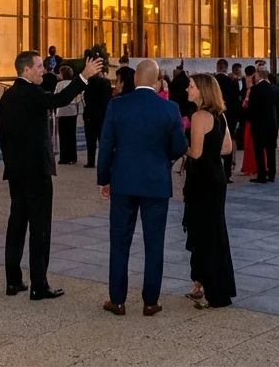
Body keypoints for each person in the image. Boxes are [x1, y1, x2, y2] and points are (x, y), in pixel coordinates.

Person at [0, 50, 101, 301]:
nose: (43, 70)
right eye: (38, 66)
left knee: (16, 224)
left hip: (16, 170)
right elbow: (60, 99)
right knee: (40, 227)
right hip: (36, 170)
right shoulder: (32, 93)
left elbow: (3, 135)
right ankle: (38, 285)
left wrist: (10, 162)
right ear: (25, 70)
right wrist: (84, 77)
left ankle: (13, 281)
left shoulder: (8, 95)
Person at [97, 59, 188, 317]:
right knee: (154, 242)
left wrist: (104, 179)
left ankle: (118, 300)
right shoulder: (170, 108)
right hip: (156, 183)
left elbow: (106, 146)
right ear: (158, 80)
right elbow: (180, 146)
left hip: (124, 182)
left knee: (119, 241)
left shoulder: (117, 106)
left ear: (136, 78)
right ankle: (150, 301)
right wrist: (163, 158)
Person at [181, 73, 236, 309]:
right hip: (217, 177)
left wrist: (178, 145)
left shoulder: (200, 116)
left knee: (203, 233)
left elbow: (195, 152)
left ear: (203, 90)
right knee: (215, 231)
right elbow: (227, 148)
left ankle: (209, 287)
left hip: (202, 179)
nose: (187, 89)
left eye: (191, 86)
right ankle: (217, 286)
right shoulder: (220, 115)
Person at [83, 53, 113, 169]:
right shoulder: (106, 83)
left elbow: (86, 98)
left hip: (91, 114)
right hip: (103, 114)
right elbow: (109, 96)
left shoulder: (89, 83)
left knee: (90, 140)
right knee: (102, 140)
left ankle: (90, 161)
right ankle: (103, 161)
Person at [54, 65, 83, 165]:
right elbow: (78, 97)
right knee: (71, 135)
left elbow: (55, 95)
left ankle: (64, 157)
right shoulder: (74, 84)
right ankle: (72, 157)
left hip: (62, 110)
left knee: (63, 135)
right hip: (72, 110)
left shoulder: (59, 84)